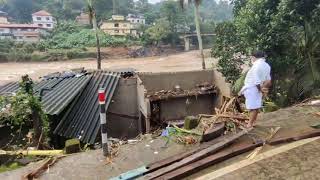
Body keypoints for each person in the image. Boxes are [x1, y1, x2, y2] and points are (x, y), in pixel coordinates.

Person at [239, 51, 272, 128]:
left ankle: (250, 124)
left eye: (251, 58)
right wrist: (263, 88)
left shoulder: (256, 66)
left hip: (253, 88)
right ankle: (252, 122)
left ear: (254, 57)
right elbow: (268, 80)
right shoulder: (267, 65)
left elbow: (256, 81)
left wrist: (260, 89)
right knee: (256, 106)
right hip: (258, 87)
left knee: (252, 107)